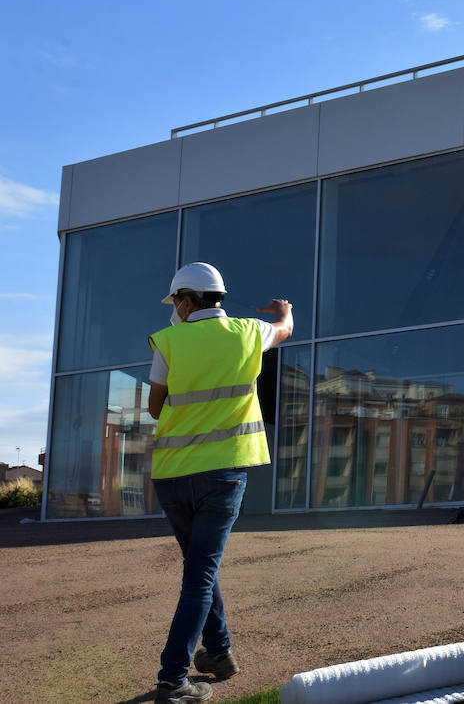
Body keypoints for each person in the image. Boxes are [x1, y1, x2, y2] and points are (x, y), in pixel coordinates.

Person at [146, 262, 293, 704]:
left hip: (173, 476)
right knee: (201, 572)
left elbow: (156, 408)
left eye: (176, 302)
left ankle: (210, 659)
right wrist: (284, 309)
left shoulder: (168, 341)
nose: (175, 309)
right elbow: (284, 329)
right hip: (223, 475)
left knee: (199, 570)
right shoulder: (249, 333)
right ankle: (181, 675)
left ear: (188, 300)